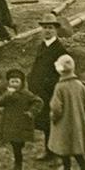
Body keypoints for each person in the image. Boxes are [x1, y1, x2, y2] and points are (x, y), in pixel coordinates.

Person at [47, 54, 85, 170]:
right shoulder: (79, 85)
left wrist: (53, 118)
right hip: (77, 124)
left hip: (63, 125)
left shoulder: (60, 87)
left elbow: (56, 108)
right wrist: (82, 114)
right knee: (77, 152)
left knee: (64, 152)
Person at [26, 13, 68, 161]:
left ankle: (53, 152)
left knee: (52, 123)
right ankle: (50, 151)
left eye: (50, 28)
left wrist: (51, 87)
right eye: (45, 28)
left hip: (51, 92)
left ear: (56, 30)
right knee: (44, 123)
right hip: (39, 92)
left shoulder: (59, 50)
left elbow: (63, 73)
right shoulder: (42, 46)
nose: (47, 31)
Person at [0, 69, 42, 170]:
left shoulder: (26, 94)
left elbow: (38, 101)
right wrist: (8, 95)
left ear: (21, 83)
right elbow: (0, 103)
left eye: (17, 82)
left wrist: (31, 112)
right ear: (9, 83)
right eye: (12, 82)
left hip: (20, 127)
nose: (14, 84)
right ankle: (16, 167)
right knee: (15, 147)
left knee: (17, 148)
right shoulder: (8, 94)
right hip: (10, 126)